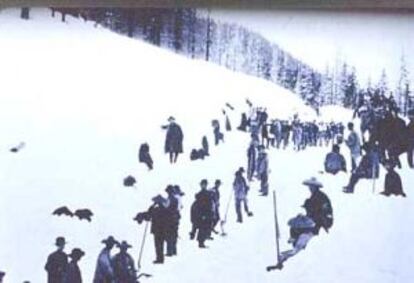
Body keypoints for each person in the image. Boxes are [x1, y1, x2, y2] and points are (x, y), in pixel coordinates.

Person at [190, 179, 214, 248]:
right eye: (202, 184)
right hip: (201, 213)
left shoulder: (207, 194)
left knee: (204, 227)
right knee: (202, 227)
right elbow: (199, 204)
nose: (203, 185)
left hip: (205, 212)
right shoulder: (201, 194)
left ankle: (200, 240)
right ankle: (200, 242)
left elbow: (209, 204)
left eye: (205, 184)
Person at [147, 194, 169, 263]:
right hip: (161, 230)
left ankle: (160, 259)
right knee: (160, 245)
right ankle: (160, 258)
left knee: (158, 245)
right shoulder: (163, 209)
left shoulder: (157, 209)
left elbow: (149, 213)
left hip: (158, 230)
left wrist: (153, 206)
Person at [165, 185, 182, 256]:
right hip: (176, 218)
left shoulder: (169, 199)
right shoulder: (177, 198)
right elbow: (179, 208)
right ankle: (174, 250)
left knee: (169, 235)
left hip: (170, 219)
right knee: (174, 234)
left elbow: (166, 207)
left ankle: (170, 251)